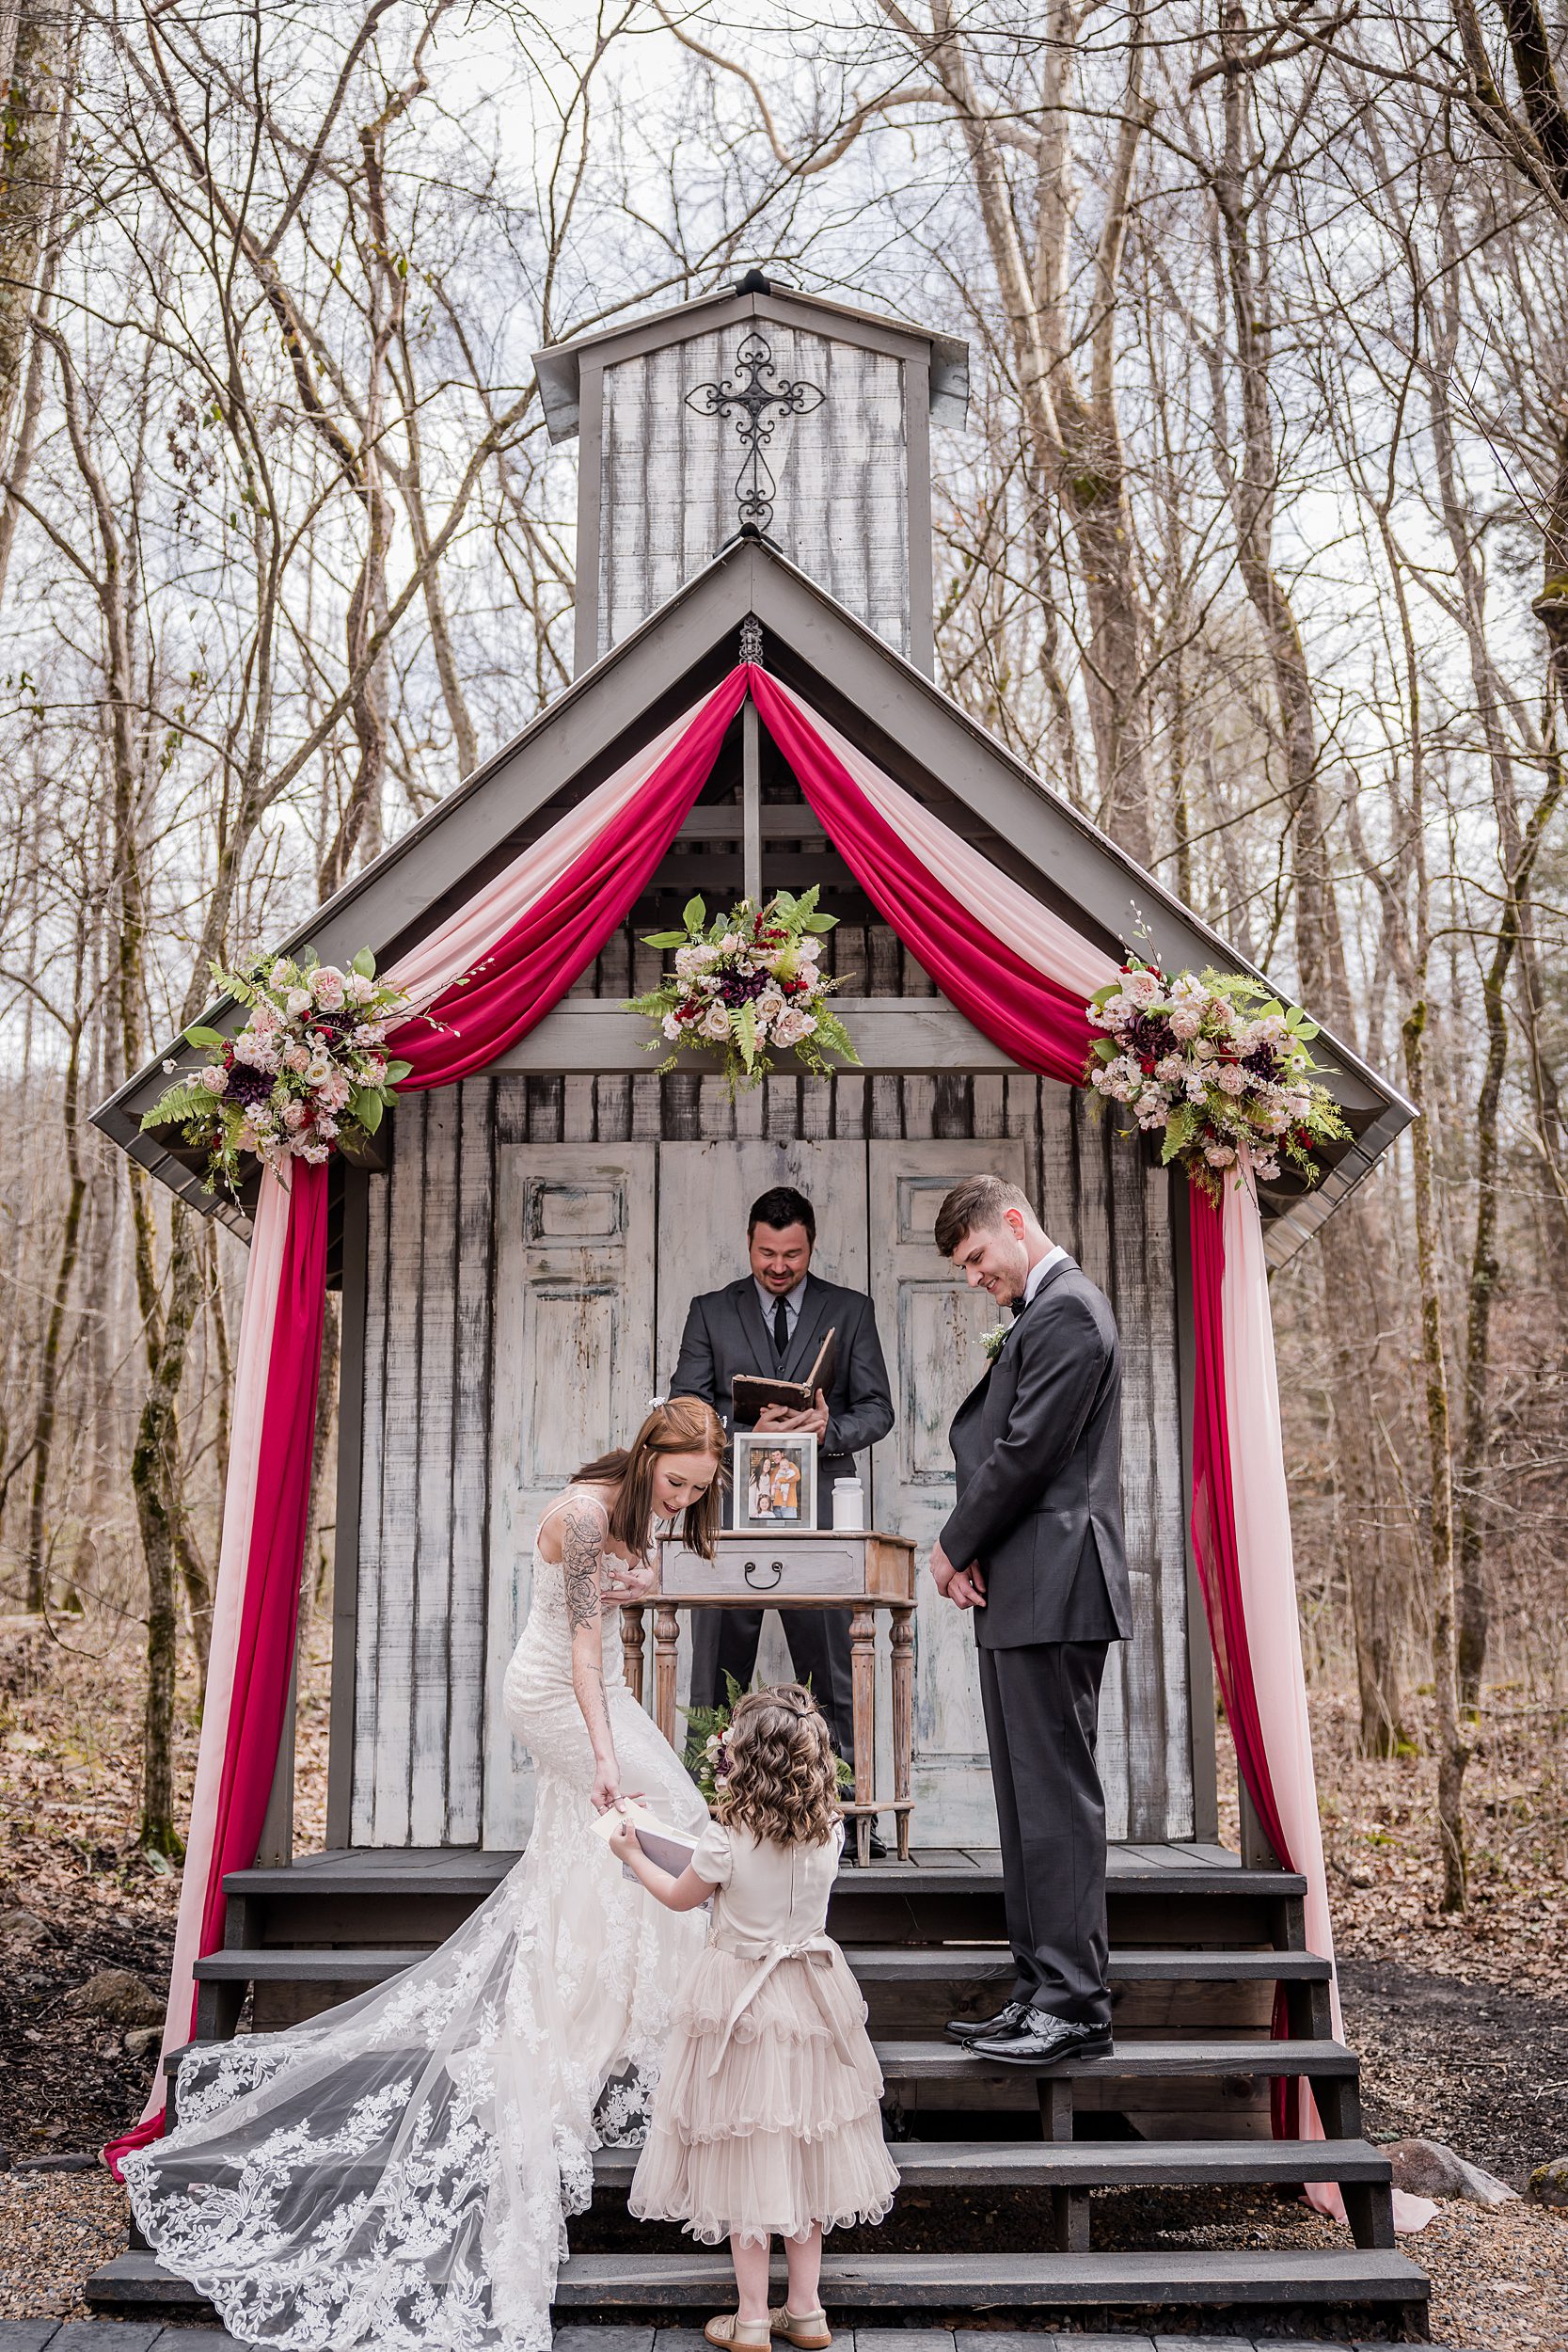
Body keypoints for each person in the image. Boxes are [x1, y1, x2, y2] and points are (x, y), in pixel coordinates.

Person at [120, 1399, 727, 2352]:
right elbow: (573, 1649)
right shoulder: (578, 1514)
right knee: (668, 1817)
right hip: (558, 1694)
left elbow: (609, 1606)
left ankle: (604, 1994)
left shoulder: (630, 1507)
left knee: (612, 1844)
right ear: (649, 1454)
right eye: (676, 1483)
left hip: (594, 1685)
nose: (681, 1499)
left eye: (695, 1491)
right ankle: (636, 2004)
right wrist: (604, 1752)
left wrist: (632, 1585)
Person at [613, 1685, 898, 2349]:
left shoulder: (726, 1838)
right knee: (804, 2149)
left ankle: (747, 2319)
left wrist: (632, 1853)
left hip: (740, 2001)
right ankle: (806, 2311)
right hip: (811, 1998)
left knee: (745, 2154)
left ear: (743, 1758)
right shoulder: (828, 1831)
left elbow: (683, 1898)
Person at [928, 1174, 1132, 2068]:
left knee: (1056, 1797)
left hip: (1056, 1583)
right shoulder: (1042, 1313)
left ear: (1015, 1224)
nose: (975, 1276)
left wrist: (950, 1544)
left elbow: (1024, 1455)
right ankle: (1036, 1989)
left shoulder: (1071, 1314)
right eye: (964, 1267)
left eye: (977, 1256)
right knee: (1022, 1801)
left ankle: (1076, 2005)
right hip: (1021, 1584)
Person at [671, 1185, 895, 1777]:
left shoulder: (850, 1311)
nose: (778, 1266)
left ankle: (842, 1811)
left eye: (791, 1254)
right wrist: (743, 1428)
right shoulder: (709, 1311)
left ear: (811, 1246)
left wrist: (828, 1428)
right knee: (713, 1681)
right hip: (727, 1523)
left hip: (820, 1523)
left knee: (832, 1676)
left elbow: (878, 1410)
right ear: (750, 1242)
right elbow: (682, 1406)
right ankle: (711, 1812)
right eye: (767, 1253)